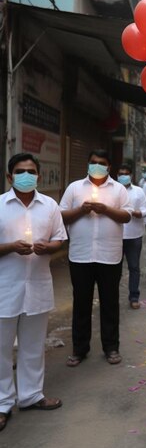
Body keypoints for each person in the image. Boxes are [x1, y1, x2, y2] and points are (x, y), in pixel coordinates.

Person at [0, 153, 66, 432]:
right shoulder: (0, 206)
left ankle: (31, 396)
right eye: (19, 171)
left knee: (33, 346)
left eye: (30, 171)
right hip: (5, 287)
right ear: (9, 176)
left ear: (38, 175)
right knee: (1, 349)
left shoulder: (49, 206)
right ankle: (2, 403)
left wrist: (48, 247)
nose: (25, 175)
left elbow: (60, 239)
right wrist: (11, 247)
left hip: (37, 285)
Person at [60, 150, 132, 367]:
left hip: (109, 255)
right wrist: (81, 211)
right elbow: (60, 215)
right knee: (81, 303)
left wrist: (106, 209)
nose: (97, 166)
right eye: (93, 162)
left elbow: (127, 215)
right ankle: (80, 348)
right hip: (80, 255)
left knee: (110, 302)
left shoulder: (118, 189)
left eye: (101, 163)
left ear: (109, 167)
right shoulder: (74, 188)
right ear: (88, 164)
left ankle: (111, 347)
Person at [117, 164, 146, 310]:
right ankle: (112, 297)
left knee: (134, 267)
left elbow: (145, 210)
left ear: (131, 176)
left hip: (134, 235)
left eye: (126, 173)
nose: (123, 176)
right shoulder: (112, 191)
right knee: (114, 268)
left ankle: (134, 296)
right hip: (115, 235)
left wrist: (138, 213)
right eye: (120, 173)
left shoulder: (139, 192)